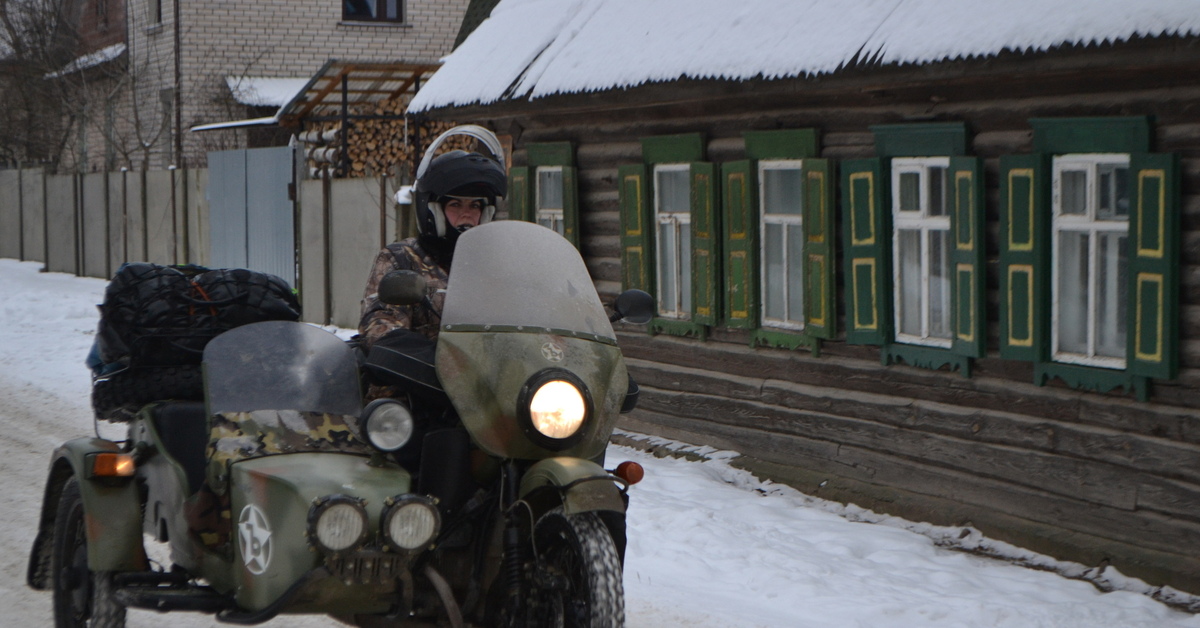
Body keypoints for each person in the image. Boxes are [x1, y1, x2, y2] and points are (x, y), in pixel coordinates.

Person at [359, 149, 507, 348]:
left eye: (474, 206)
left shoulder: (499, 262)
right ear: (433, 211)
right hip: (422, 374)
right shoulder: (402, 258)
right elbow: (380, 323)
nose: (466, 214)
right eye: (455, 204)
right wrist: (416, 351)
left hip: (495, 372)